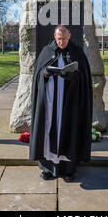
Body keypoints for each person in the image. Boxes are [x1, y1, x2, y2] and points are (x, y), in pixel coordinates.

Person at [30, 25, 92, 182]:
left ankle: (68, 169)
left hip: (69, 104)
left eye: (64, 38)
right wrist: (44, 74)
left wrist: (73, 77)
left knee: (68, 130)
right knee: (48, 130)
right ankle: (47, 167)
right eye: (59, 39)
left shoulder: (77, 52)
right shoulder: (46, 51)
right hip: (49, 104)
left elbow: (84, 79)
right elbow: (37, 75)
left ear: (69, 36)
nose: (61, 42)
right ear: (55, 36)